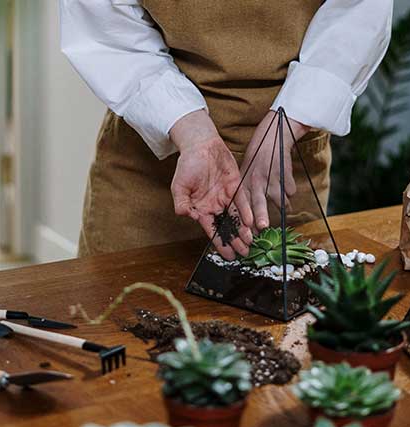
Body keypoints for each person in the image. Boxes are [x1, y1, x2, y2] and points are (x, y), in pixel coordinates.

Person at [60, 0, 392, 259]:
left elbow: (358, 12)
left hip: (285, 166)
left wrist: (289, 121)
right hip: (147, 178)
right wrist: (191, 129)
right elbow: (105, 25)